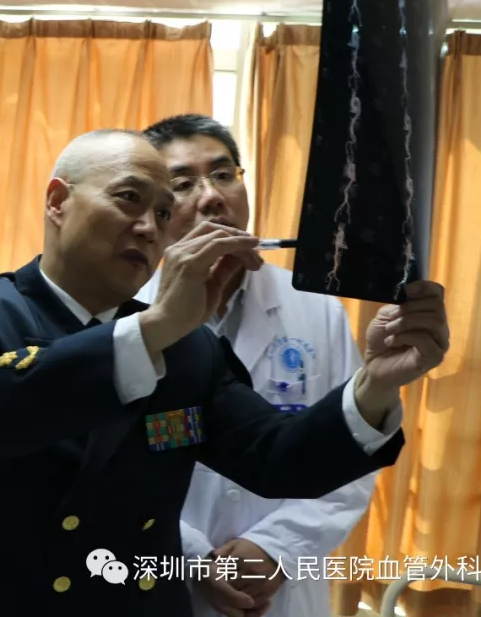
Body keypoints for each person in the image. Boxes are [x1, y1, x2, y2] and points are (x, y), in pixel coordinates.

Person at [0, 128, 450, 617]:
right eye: (129, 198)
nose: (148, 228)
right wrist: (154, 327)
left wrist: (377, 382)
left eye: (164, 214)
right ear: (58, 201)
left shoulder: (188, 348)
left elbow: (278, 458)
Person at [134, 114, 377, 617]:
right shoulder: (127, 316)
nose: (212, 197)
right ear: (155, 210)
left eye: (224, 174)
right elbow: (112, 470)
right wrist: (193, 557)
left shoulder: (316, 307)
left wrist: (276, 548)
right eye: (183, 184)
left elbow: (349, 452)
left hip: (281, 591)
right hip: (166, 582)